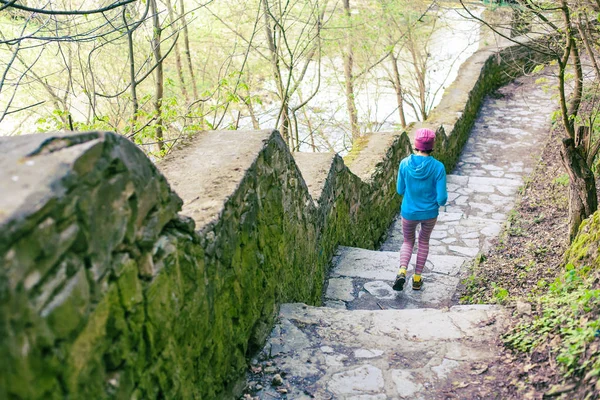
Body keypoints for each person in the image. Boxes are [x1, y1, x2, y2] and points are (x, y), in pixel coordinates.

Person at [393, 128, 447, 291]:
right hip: (429, 213)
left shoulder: (404, 164)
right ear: (432, 146)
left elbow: (400, 190)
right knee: (423, 241)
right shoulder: (438, 167)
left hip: (409, 212)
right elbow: (442, 199)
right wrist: (435, 202)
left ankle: (402, 270)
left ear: (415, 144)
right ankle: (417, 279)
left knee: (408, 241)